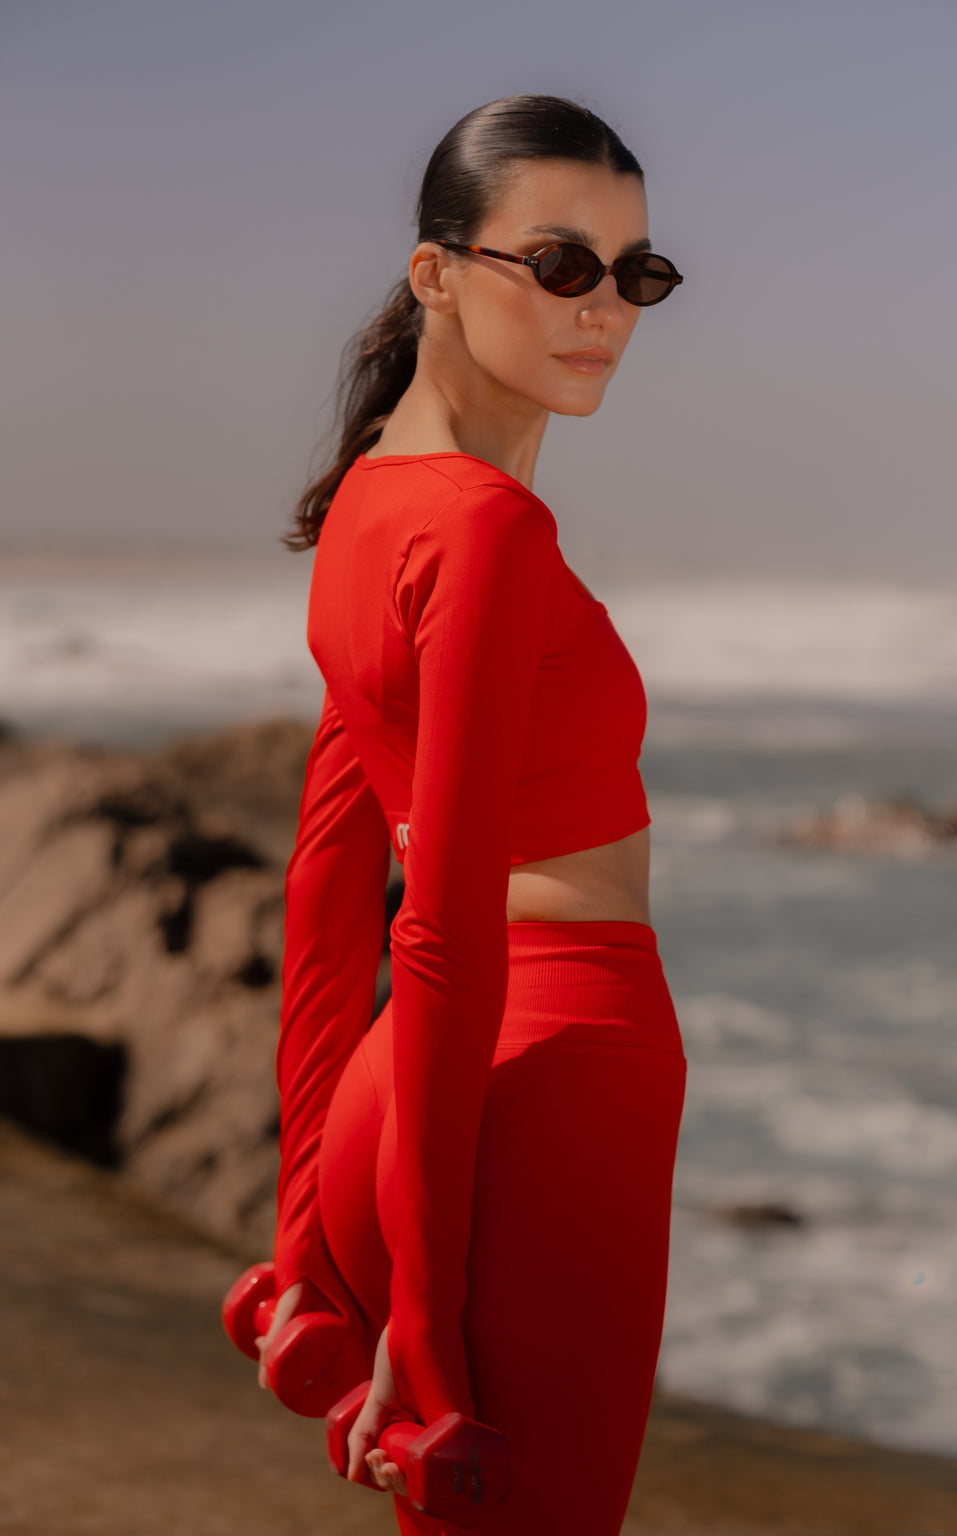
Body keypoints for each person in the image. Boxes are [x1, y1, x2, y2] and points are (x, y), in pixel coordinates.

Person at [257, 93, 687, 1535]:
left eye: (638, 274)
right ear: (436, 272)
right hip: (553, 1080)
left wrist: (309, 1227)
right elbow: (430, 922)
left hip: (415, 1109)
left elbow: (326, 890)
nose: (606, 308)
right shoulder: (489, 531)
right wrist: (425, 1328)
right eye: (560, 264)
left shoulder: (369, 503)